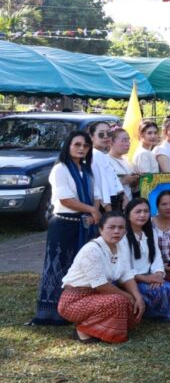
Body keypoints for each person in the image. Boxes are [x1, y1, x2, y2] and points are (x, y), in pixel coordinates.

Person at [32, 131, 100, 325]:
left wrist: (94, 209)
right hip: (63, 223)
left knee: (79, 267)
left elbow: (95, 194)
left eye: (85, 146)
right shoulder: (60, 169)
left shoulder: (87, 171)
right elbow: (66, 199)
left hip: (84, 224)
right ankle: (52, 312)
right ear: (68, 146)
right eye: (77, 144)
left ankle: (76, 308)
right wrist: (93, 211)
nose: (81, 148)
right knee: (58, 266)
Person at [57, 211, 144, 344]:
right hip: (74, 300)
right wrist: (127, 296)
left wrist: (137, 297)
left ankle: (98, 328)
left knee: (130, 303)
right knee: (119, 301)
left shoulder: (121, 246)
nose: (116, 231)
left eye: (121, 228)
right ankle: (83, 330)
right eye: (111, 227)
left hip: (98, 296)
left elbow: (126, 274)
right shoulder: (92, 250)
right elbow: (101, 285)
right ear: (101, 229)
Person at [123, 197, 170, 322]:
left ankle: (159, 312)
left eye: (146, 211)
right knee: (162, 290)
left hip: (150, 276)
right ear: (128, 214)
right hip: (131, 280)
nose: (142, 215)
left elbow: (157, 257)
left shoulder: (150, 233)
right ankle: (149, 313)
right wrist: (145, 279)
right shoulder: (122, 236)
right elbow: (123, 268)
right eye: (138, 211)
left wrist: (159, 274)